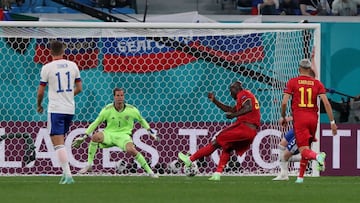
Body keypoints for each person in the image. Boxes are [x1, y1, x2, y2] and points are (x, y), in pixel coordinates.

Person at [178, 81, 260, 181]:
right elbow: (230, 109)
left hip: (244, 128)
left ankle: (190, 159)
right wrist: (214, 101)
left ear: (235, 89)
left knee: (216, 142)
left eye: (231, 91)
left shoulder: (243, 94)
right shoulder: (245, 97)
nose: (231, 94)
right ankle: (217, 174)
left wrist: (233, 116)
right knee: (227, 148)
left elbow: (248, 107)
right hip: (251, 131)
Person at [72, 87, 160, 178]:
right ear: (114, 97)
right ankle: (89, 165)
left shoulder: (132, 110)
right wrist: (85, 136)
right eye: (118, 95)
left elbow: (142, 120)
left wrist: (150, 131)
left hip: (124, 136)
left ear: (124, 96)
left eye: (122, 95)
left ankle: (150, 172)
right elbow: (96, 122)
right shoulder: (107, 109)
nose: (120, 97)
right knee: (95, 137)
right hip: (109, 134)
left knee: (131, 150)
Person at [280, 58, 337, 183]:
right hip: (313, 118)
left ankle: (318, 156)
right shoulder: (317, 84)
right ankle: (300, 177)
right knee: (307, 146)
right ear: (310, 69)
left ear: (299, 69)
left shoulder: (293, 82)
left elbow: (284, 103)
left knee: (303, 149)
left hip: (300, 118)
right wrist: (332, 122)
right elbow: (326, 103)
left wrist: (283, 117)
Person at [37, 40, 83, 184]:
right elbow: (80, 88)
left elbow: (40, 92)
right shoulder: (73, 65)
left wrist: (39, 104)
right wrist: (68, 96)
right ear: (64, 51)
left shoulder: (47, 68)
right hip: (70, 109)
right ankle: (65, 173)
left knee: (58, 144)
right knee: (60, 141)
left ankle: (68, 175)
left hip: (56, 109)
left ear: (50, 52)